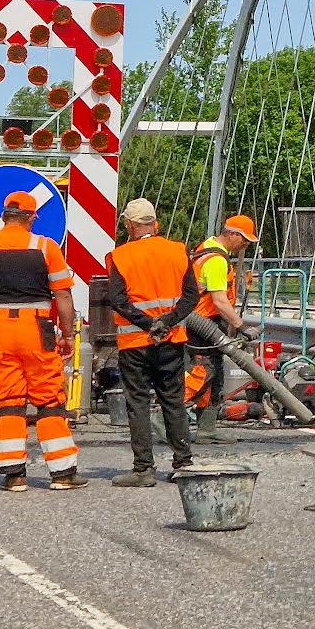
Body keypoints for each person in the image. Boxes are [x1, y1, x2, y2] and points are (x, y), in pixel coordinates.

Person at [0, 191, 87, 492]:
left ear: (3, 216)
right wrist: (67, 335)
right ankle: (63, 473)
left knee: (9, 401)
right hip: (35, 329)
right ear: (31, 217)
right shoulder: (45, 247)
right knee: (49, 399)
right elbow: (63, 295)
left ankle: (14, 474)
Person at [104, 199, 201, 487]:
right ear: (155, 224)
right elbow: (191, 297)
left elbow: (118, 301)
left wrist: (148, 324)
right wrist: (167, 322)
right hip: (171, 341)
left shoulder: (119, 256)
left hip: (135, 342)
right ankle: (183, 462)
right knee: (173, 401)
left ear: (130, 226)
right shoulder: (178, 251)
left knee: (138, 403)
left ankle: (143, 469)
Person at [188, 214, 261, 444]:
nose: (245, 246)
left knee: (214, 377)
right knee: (202, 375)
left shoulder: (205, 248)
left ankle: (206, 429)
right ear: (232, 234)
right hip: (202, 327)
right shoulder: (217, 261)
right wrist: (241, 327)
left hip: (205, 326)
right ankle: (163, 419)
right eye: (244, 240)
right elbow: (219, 301)